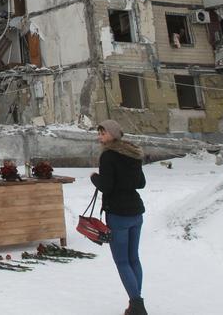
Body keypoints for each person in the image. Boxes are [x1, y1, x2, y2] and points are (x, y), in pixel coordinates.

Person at [91, 120, 147, 315]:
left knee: (122, 262)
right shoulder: (133, 154)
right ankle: (135, 303)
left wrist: (93, 178)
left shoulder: (108, 156)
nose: (100, 137)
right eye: (99, 133)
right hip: (136, 212)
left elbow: (106, 186)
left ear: (113, 134)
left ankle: (137, 305)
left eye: (103, 133)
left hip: (118, 214)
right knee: (134, 259)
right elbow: (141, 183)